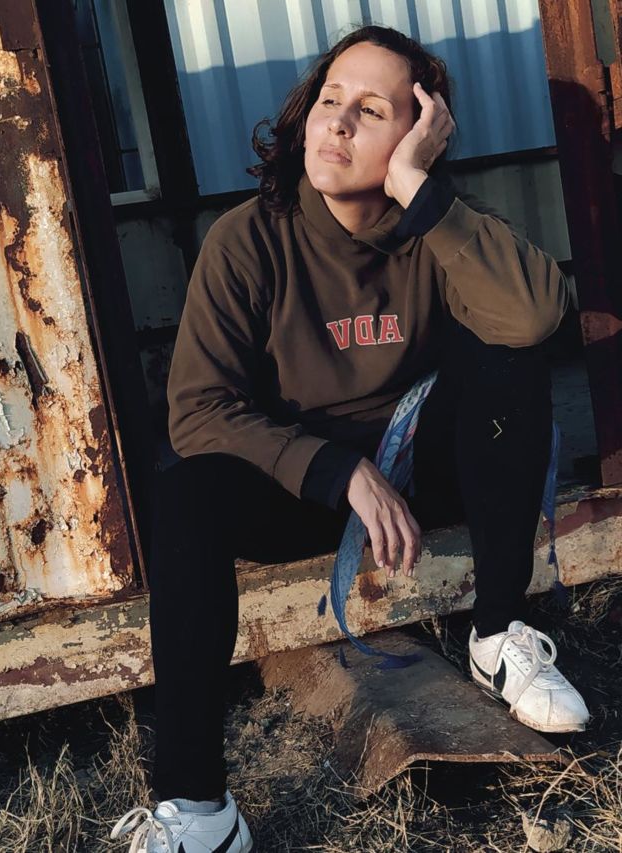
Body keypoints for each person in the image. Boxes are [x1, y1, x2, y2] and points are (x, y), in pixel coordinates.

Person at [111, 24, 589, 853]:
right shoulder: (248, 239)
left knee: (506, 354)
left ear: (419, 134)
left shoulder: (439, 226)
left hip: (424, 477)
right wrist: (338, 469)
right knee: (185, 490)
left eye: (370, 110)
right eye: (329, 99)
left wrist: (417, 190)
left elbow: (538, 316)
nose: (336, 122)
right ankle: (198, 808)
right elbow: (196, 411)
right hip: (306, 489)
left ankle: (497, 635)